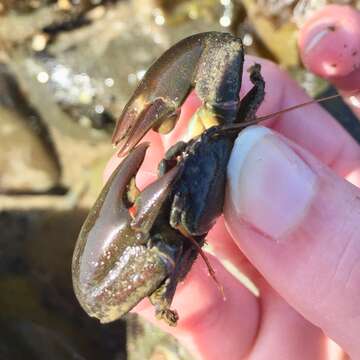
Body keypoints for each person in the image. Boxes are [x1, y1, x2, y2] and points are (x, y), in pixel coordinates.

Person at [104, 5, 360, 359]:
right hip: (222, 149)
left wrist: (164, 300)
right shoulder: (219, 126)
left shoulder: (172, 240)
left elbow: (221, 49)